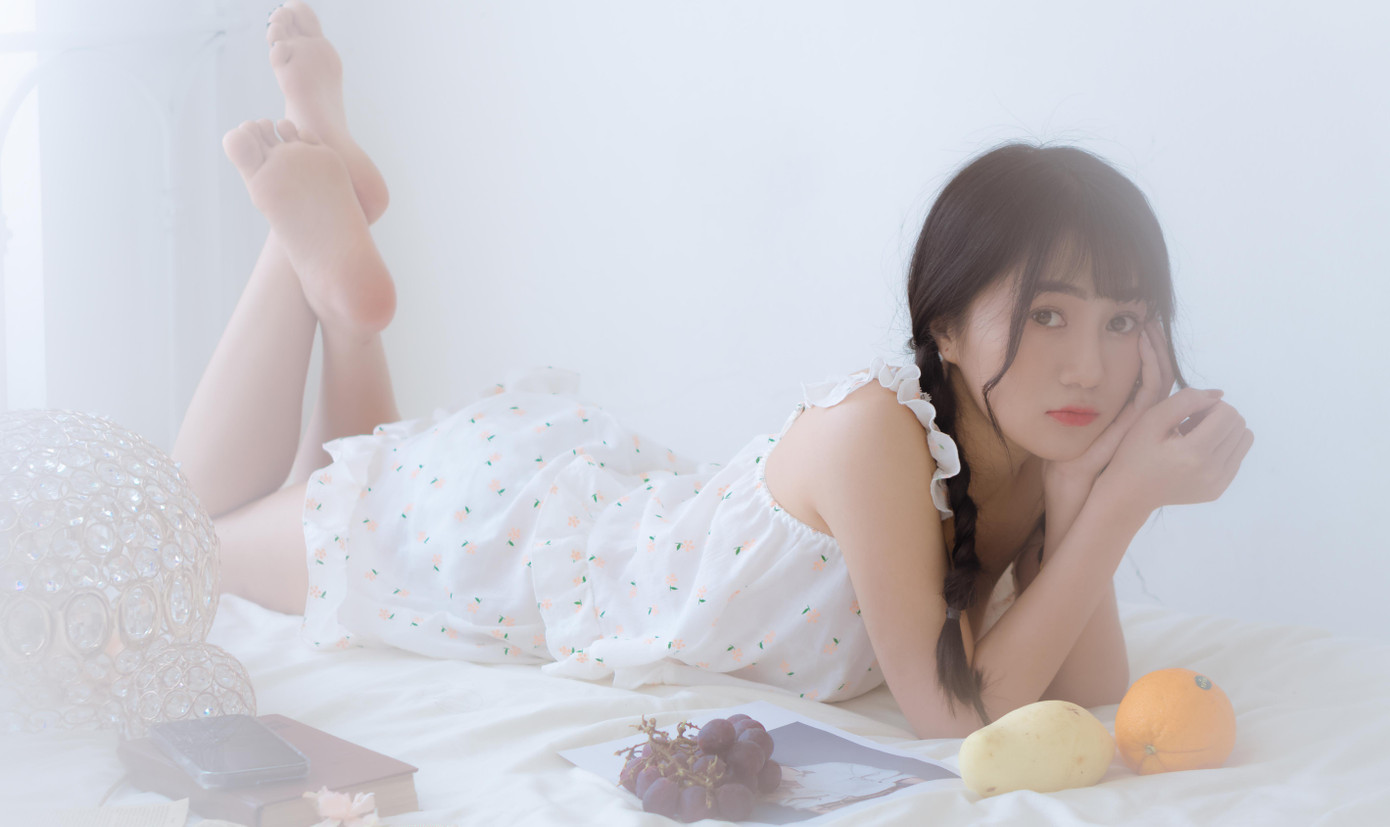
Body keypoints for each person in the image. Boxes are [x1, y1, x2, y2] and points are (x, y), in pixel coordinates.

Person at [172, 1, 1253, 740]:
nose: (1089, 361)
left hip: (577, 509)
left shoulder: (1025, 452)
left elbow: (1089, 686)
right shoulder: (877, 430)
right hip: (505, 548)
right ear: (948, 330)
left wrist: (1085, 492)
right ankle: (312, 266)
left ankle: (340, 279)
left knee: (335, 473)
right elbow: (955, 716)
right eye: (1048, 312)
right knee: (184, 530)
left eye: (1124, 320)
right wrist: (1123, 500)